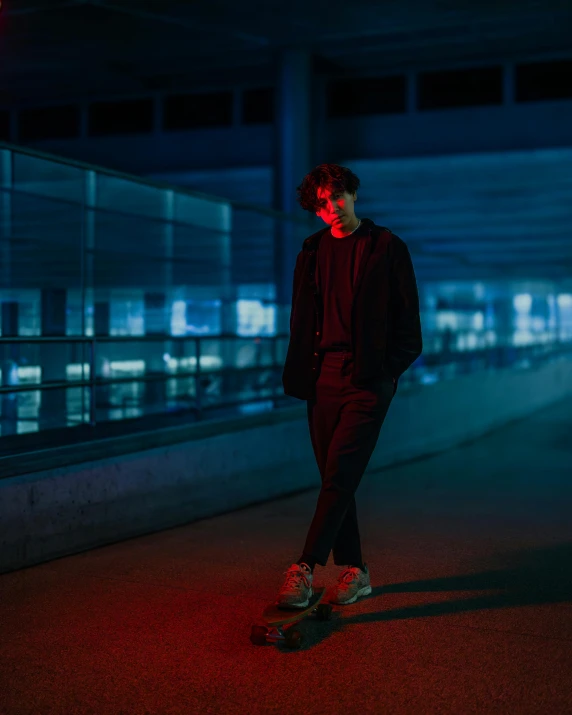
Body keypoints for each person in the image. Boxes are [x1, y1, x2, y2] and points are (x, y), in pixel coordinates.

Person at [277, 163, 423, 608]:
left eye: (337, 196)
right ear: (316, 210)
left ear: (353, 195)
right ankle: (356, 572)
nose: (333, 207)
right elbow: (302, 321)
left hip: (366, 380)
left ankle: (303, 567)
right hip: (322, 378)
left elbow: (409, 328)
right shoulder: (311, 252)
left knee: (339, 473)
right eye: (322, 203)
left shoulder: (386, 247)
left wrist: (386, 373)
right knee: (334, 479)